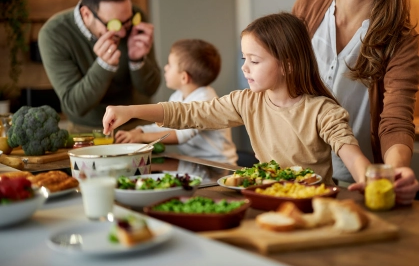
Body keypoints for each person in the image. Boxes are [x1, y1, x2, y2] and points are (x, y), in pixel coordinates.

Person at [103, 12, 373, 185]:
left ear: (288, 65)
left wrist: (366, 179)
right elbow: (187, 114)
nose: (244, 68)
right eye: (245, 59)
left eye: (254, 61)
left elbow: (349, 150)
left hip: (313, 203)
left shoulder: (322, 111)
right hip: (266, 197)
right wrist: (130, 110)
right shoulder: (246, 102)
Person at [292, 0, 419, 204]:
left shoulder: (400, 37)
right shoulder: (307, 8)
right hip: (294, 174)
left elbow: (396, 119)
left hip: (355, 182)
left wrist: (396, 171)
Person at [38, 0, 162, 132]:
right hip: (88, 132)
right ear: (87, 14)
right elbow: (75, 106)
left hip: (138, 127)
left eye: (127, 22)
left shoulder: (135, 17)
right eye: (114, 24)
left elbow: (150, 89)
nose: (124, 33)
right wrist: (104, 66)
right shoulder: (53, 33)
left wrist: (137, 61)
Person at [114, 39, 237, 165]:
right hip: (194, 163)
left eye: (170, 64)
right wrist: (140, 131)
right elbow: (165, 124)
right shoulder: (177, 96)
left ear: (184, 77)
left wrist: (141, 138)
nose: (165, 67)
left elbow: (181, 135)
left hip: (218, 165)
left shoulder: (206, 100)